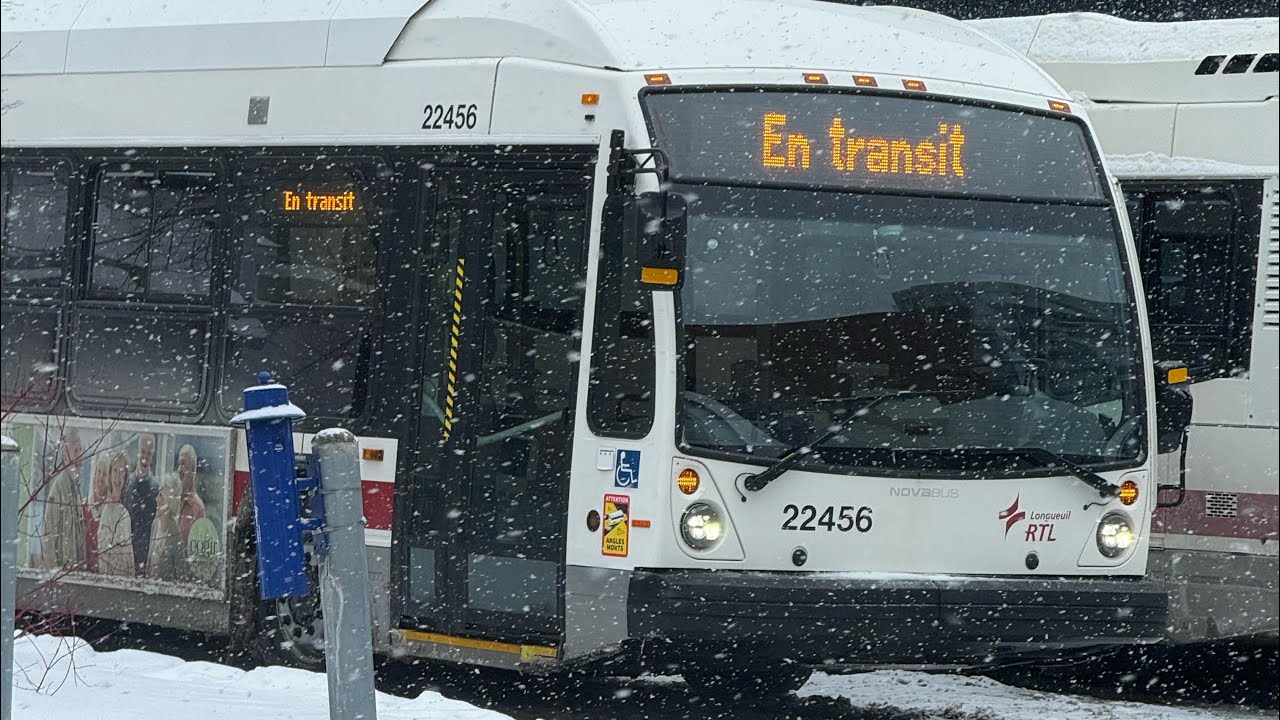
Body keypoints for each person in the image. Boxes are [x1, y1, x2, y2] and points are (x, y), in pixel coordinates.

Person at [39, 428, 88, 571]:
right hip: (62, 575)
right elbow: (48, 540)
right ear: (65, 455)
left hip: (74, 575)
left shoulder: (76, 490)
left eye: (80, 450)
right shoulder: (58, 490)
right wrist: (53, 575)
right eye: (75, 451)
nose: (80, 457)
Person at [93, 449, 134, 577]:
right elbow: (103, 557)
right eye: (115, 470)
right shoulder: (106, 511)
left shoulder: (125, 513)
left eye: (121, 472)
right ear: (110, 476)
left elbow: (129, 556)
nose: (117, 476)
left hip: (124, 582)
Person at [123, 433, 159, 575]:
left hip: (144, 551)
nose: (145, 457)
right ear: (138, 452)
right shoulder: (127, 484)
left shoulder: (155, 488)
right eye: (143, 452)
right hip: (127, 549)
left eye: (149, 453)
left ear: (153, 455)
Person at [146, 472, 186, 581]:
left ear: (170, 503)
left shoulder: (176, 537)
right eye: (158, 494)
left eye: (161, 496)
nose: (156, 499)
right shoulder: (155, 524)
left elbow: (181, 578)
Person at [176, 444, 206, 543]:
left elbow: (199, 545)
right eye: (178, 464)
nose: (179, 470)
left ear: (193, 470)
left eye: (183, 464)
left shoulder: (198, 508)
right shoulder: (173, 500)